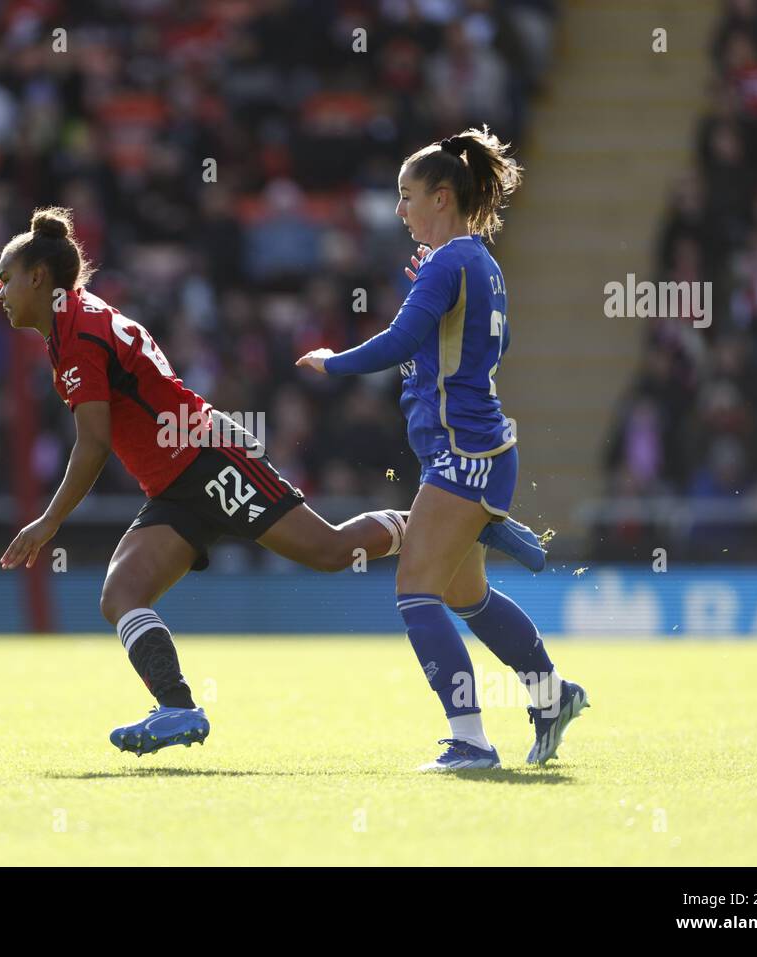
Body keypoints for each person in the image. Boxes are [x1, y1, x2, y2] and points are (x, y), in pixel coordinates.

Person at [0, 206, 547, 756]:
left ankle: (441, 524)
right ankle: (178, 706)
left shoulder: (77, 332)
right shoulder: (76, 320)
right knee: (121, 594)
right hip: (174, 481)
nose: (0, 293)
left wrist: (48, 522)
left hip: (208, 458)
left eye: (6, 280)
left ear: (37, 277)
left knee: (329, 550)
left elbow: (93, 442)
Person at [297, 128, 587, 770]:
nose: (399, 210)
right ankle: (551, 695)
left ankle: (471, 741)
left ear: (442, 195)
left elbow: (398, 343)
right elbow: (484, 350)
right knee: (464, 597)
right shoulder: (477, 263)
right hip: (474, 450)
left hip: (464, 453)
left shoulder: (450, 263)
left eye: (406, 195)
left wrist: (332, 362)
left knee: (415, 590)